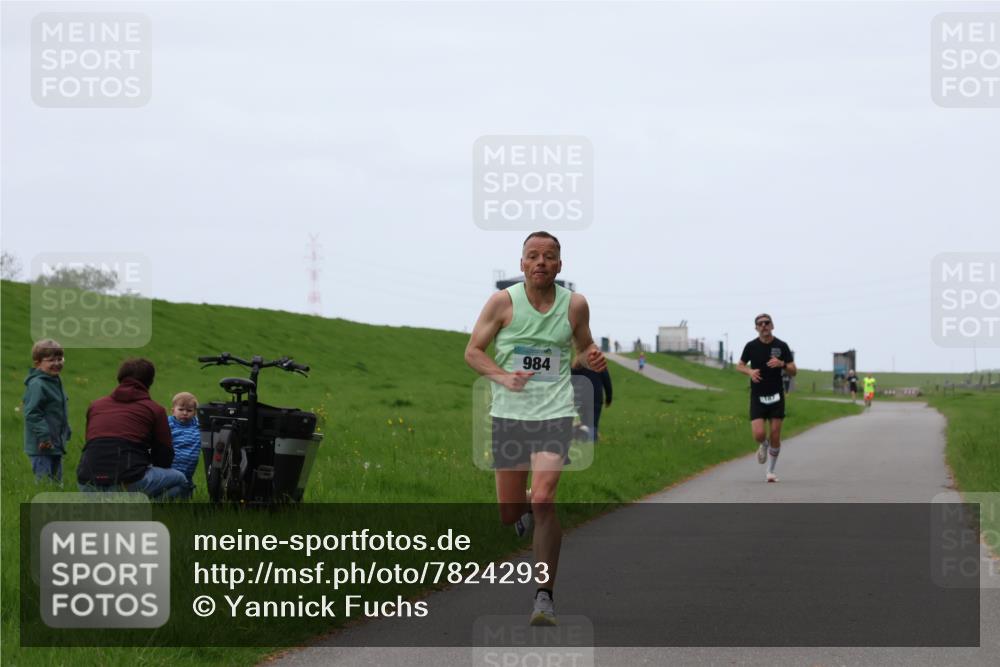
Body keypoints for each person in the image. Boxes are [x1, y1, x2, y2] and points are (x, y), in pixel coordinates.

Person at [466, 231, 607, 626]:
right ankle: (522, 510)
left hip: (555, 413)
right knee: (510, 513)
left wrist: (590, 357)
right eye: (533, 256)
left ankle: (543, 596)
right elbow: (473, 352)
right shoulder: (502, 303)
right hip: (510, 416)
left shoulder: (574, 305)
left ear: (560, 265)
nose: (541, 262)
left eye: (549, 256)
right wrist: (503, 376)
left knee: (544, 499)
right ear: (522, 264)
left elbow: (582, 350)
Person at [77, 358, 188, 499]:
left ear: (120, 378)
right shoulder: (155, 409)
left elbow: (93, 443)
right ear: (150, 381)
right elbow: (164, 457)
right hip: (128, 481)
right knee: (181, 481)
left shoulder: (95, 406)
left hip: (86, 483)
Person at [737, 314, 796, 483]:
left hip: (777, 395)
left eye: (766, 323)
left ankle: (770, 471)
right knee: (759, 433)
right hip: (758, 395)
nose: (763, 326)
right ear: (756, 328)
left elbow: (793, 370)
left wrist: (782, 364)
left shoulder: (781, 346)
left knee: (776, 434)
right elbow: (739, 365)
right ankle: (763, 444)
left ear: (772, 325)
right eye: (760, 324)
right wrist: (749, 371)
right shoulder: (751, 346)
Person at [22, 339, 71, 484]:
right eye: (51, 360)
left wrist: (66, 429)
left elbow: (57, 410)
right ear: (37, 363)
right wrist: (44, 437)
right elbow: (32, 413)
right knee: (44, 485)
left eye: (60, 359)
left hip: (55, 443)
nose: (57, 363)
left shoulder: (54, 381)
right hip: (42, 446)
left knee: (56, 484)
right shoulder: (38, 384)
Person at [168, 392, 201, 499]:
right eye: (181, 409)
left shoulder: (198, 425)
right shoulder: (169, 424)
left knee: (187, 488)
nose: (185, 413)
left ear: (195, 412)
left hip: (189, 468)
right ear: (173, 410)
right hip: (172, 466)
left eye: (189, 410)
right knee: (172, 488)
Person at [570, 362, 612, 441]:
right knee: (593, 423)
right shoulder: (598, 360)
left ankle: (578, 434)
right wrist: (608, 398)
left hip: (581, 398)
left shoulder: (577, 363)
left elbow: (572, 380)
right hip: (595, 398)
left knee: (585, 422)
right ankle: (592, 437)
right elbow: (606, 380)